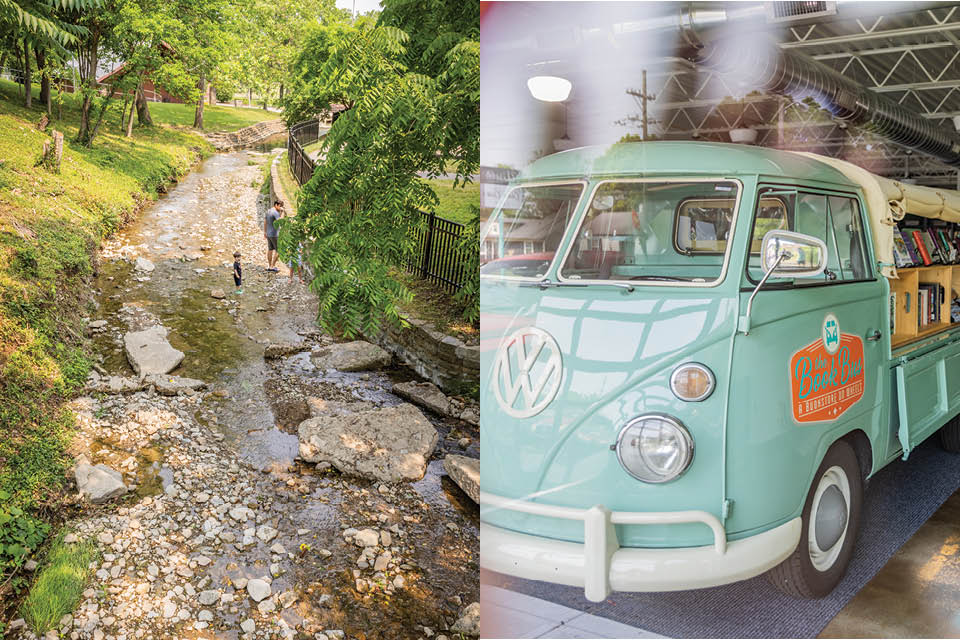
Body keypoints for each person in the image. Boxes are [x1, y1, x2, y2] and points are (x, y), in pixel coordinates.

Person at [265, 200, 283, 272]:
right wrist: (282, 212)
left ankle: (269, 266)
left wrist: (264, 231)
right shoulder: (275, 213)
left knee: (270, 249)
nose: (281, 208)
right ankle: (273, 266)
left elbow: (265, 222)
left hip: (268, 234)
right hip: (275, 234)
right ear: (276, 205)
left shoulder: (268, 211)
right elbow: (280, 222)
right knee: (278, 250)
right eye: (280, 206)